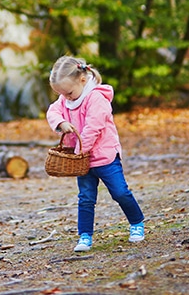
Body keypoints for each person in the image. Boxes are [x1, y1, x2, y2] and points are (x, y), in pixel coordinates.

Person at [46, 56, 145, 252]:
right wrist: (60, 123)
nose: (66, 98)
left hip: (104, 157)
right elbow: (53, 110)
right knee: (86, 198)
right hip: (83, 162)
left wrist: (79, 151)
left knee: (120, 192)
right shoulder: (66, 98)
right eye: (62, 94)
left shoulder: (97, 98)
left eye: (69, 92)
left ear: (82, 80)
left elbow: (93, 128)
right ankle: (85, 235)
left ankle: (137, 222)